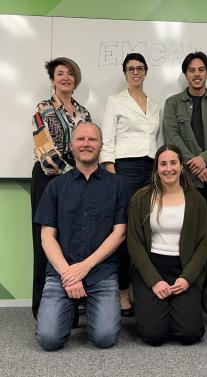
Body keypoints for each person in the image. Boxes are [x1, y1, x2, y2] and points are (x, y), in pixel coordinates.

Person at [34, 122, 130, 351]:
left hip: (102, 272)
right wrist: (69, 274)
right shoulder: (56, 186)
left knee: (104, 338)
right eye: (80, 139)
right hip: (61, 273)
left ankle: (83, 307)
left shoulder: (118, 185)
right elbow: (47, 237)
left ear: (101, 146)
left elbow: (120, 233)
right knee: (49, 339)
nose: (86, 144)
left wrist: (84, 267)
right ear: (71, 145)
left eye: (92, 139)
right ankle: (68, 309)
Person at [163, 52, 207, 315]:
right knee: (185, 235)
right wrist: (194, 163)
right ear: (185, 74)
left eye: (201, 69)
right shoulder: (173, 104)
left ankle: (206, 288)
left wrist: (204, 161)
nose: (197, 74)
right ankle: (185, 286)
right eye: (191, 70)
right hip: (184, 179)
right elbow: (173, 137)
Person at [127, 144, 207, 346]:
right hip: (151, 269)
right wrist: (154, 281)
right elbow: (134, 243)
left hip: (183, 269)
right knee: (153, 335)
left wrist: (187, 279)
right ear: (156, 169)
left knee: (190, 334)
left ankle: (175, 310)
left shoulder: (196, 200)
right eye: (162, 164)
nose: (168, 168)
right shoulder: (141, 198)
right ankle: (153, 307)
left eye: (173, 163)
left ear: (181, 166)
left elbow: (204, 245)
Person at [100, 53, 162, 316]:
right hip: (124, 169)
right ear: (125, 72)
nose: (135, 72)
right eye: (130, 68)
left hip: (151, 169)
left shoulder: (155, 104)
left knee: (146, 231)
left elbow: (156, 141)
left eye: (140, 68)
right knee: (124, 231)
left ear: (146, 72)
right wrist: (112, 173)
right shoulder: (115, 101)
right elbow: (108, 139)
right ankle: (122, 290)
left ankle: (141, 288)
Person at [31, 57, 92, 319]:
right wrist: (75, 173)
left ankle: (73, 305)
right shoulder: (42, 108)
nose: (65, 77)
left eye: (70, 74)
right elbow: (46, 154)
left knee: (74, 241)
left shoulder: (84, 113)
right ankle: (41, 308)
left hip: (77, 180)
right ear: (52, 79)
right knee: (45, 242)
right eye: (60, 73)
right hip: (49, 178)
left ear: (75, 79)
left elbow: (89, 148)